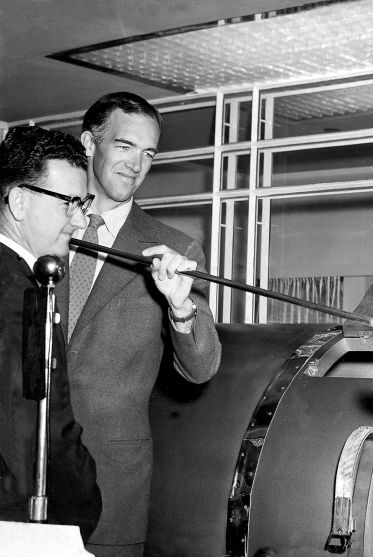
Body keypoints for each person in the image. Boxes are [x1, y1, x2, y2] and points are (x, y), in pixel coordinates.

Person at [62, 92, 222, 557]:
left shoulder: (174, 248)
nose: (137, 164)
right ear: (89, 143)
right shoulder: (39, 230)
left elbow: (202, 366)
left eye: (148, 153)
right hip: (18, 475)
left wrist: (180, 306)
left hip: (111, 482)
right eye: (125, 146)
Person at [0, 126, 101, 539]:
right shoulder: (22, 294)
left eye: (84, 203)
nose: (80, 221)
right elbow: (42, 427)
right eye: (70, 204)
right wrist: (83, 500)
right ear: (19, 201)